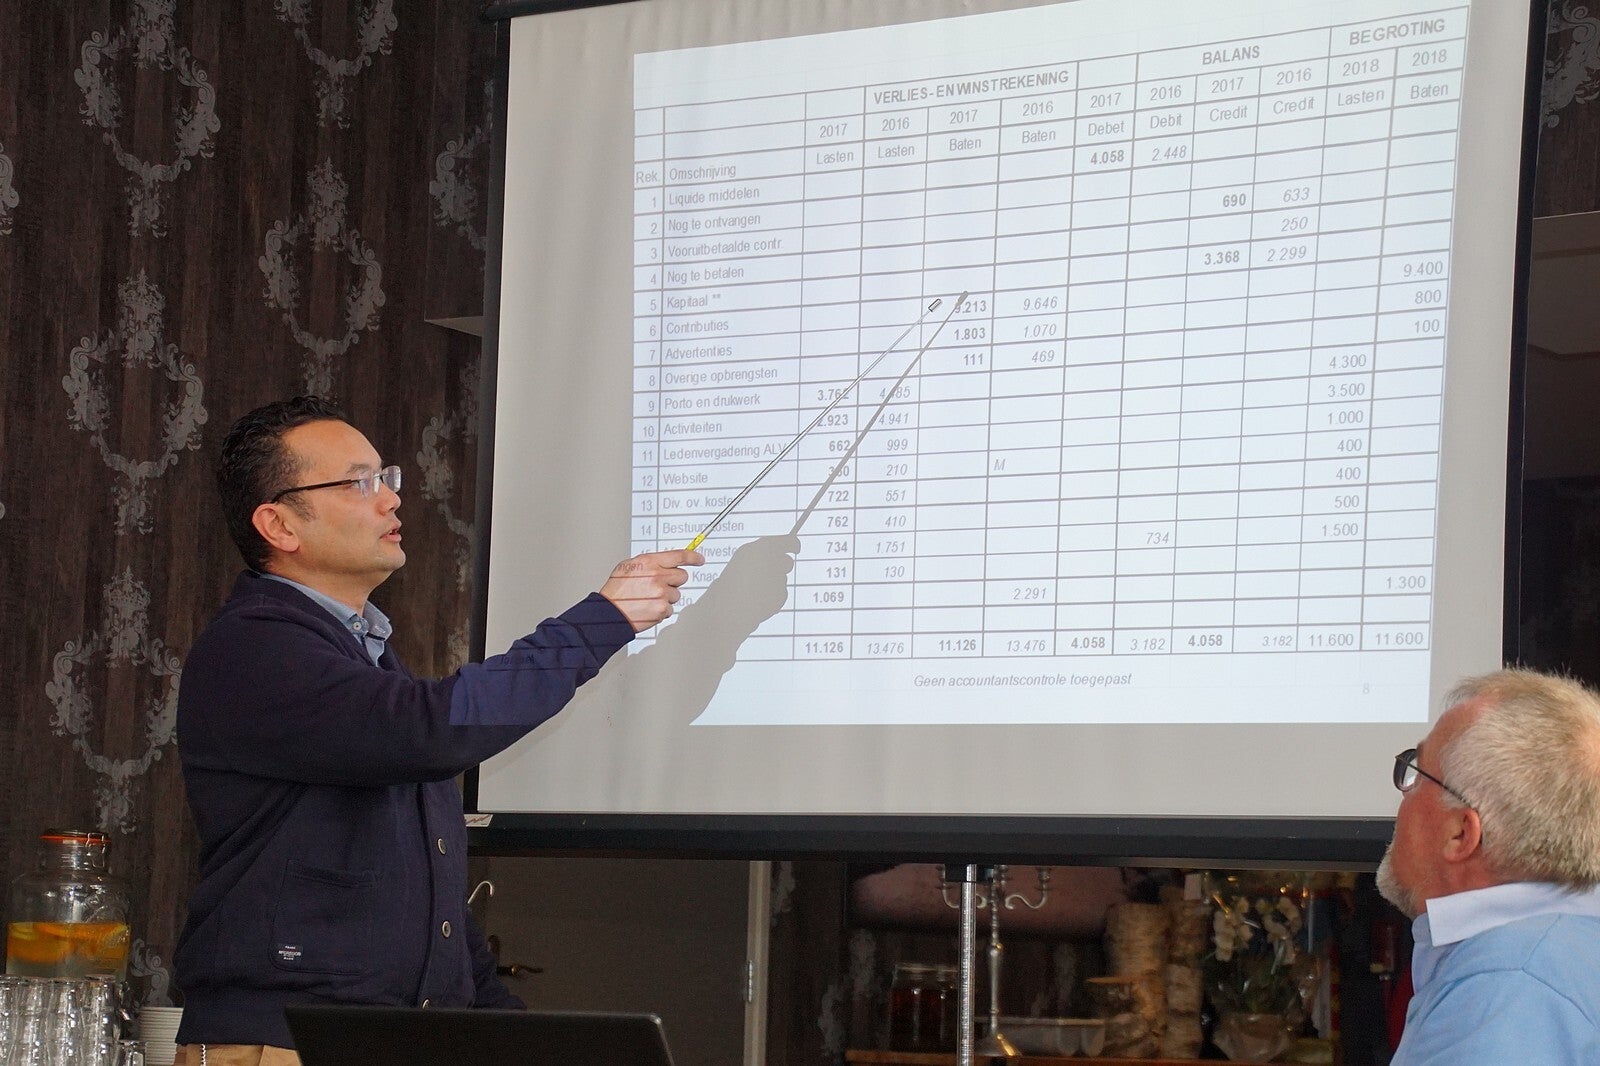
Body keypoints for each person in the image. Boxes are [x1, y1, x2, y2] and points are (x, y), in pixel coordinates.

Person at [171, 396, 701, 1065]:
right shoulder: (255, 648)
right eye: (359, 483)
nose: (391, 499)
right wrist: (602, 619)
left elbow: (428, 903)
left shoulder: (361, 656)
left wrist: (517, 1034)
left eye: (386, 478)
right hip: (285, 1044)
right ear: (279, 524)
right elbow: (430, 731)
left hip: (378, 1039)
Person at [1376, 668, 1600, 1064]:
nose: (1403, 795)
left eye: (1419, 772)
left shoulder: (1504, 992)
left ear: (1460, 834)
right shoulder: (1567, 947)